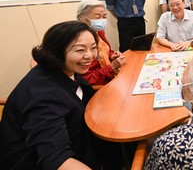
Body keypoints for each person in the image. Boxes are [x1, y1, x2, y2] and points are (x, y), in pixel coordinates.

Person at [0, 21, 124, 170]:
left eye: (93, 48)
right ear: (56, 51)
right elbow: (56, 159)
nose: (90, 56)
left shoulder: (67, 70)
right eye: (80, 50)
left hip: (80, 141)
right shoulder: (44, 95)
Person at [77, 0, 125, 85]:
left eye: (104, 16)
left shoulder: (99, 32)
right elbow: (88, 80)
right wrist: (112, 67)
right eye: (97, 17)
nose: (102, 20)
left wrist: (112, 55)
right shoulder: (80, 41)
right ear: (82, 18)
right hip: (100, 85)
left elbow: (106, 51)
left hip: (110, 75)